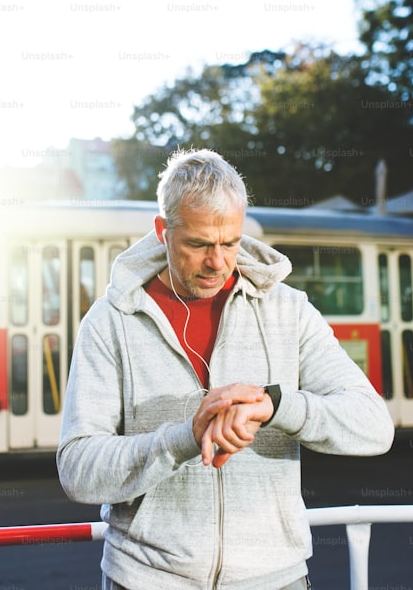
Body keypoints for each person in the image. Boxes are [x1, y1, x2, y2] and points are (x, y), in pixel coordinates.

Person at [57, 148, 395, 590]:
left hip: (275, 579)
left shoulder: (288, 311)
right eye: (198, 244)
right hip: (146, 580)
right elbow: (79, 469)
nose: (218, 262)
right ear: (163, 231)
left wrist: (274, 404)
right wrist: (184, 438)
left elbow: (374, 427)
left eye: (230, 243)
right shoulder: (109, 321)